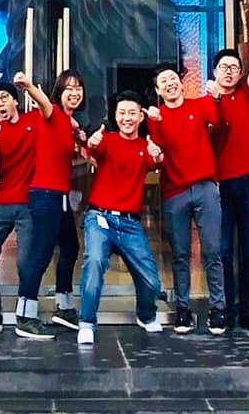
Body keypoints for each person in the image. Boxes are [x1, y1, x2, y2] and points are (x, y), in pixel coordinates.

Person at [74, 91, 168, 346]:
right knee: (94, 263)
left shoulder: (144, 146)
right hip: (99, 218)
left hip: (130, 223)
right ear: (115, 116)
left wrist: (157, 153)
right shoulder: (108, 139)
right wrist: (91, 142)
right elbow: (91, 149)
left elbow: (157, 160)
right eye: (121, 113)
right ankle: (87, 322)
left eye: (131, 113)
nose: (126, 118)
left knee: (151, 280)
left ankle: (146, 315)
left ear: (140, 117)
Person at [145, 62, 225, 334]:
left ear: (180, 81)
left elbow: (217, 121)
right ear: (158, 90)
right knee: (180, 254)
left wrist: (215, 96)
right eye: (163, 81)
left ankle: (218, 309)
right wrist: (153, 122)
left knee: (212, 251)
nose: (169, 83)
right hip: (174, 192)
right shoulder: (156, 118)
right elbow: (157, 154)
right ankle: (182, 309)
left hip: (205, 187)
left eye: (172, 78)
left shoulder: (200, 105)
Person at [0, 76, 41, 334]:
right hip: (1, 201)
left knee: (26, 263)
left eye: (3, 98)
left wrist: (29, 86)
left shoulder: (32, 121)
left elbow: (46, 110)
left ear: (15, 101)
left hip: (28, 204)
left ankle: (25, 313)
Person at [208, 39, 249, 331]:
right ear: (214, 72)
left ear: (240, 74)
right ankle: (225, 309)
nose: (229, 72)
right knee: (223, 250)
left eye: (234, 68)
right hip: (218, 185)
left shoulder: (247, 95)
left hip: (248, 182)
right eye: (223, 67)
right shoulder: (206, 103)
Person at [28, 69, 87, 332]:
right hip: (46, 193)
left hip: (59, 195)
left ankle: (64, 307)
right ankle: (25, 315)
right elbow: (43, 104)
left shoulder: (68, 122)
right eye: (69, 89)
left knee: (71, 248)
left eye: (78, 89)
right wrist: (28, 86)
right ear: (58, 93)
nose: (74, 93)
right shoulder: (52, 112)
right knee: (40, 254)